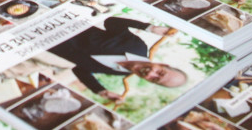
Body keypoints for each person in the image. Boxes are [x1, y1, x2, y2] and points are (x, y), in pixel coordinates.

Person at [47, 16, 189, 101]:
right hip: (55, 21)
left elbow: (80, 69)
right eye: (160, 72)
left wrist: (100, 91)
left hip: (44, 41)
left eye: (154, 79)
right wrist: (149, 28)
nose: (151, 73)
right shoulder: (137, 46)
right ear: (162, 64)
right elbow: (111, 22)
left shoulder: (121, 73)